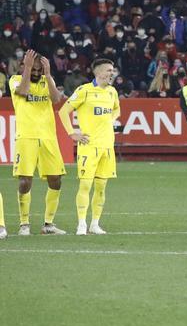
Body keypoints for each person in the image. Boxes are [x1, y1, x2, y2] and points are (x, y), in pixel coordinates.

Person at [59, 58, 121, 236]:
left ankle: (95, 223)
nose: (112, 73)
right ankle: (81, 224)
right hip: (89, 146)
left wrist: (112, 118)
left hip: (107, 147)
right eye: (109, 70)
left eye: (112, 70)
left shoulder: (112, 92)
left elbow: (117, 109)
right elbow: (64, 111)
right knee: (85, 185)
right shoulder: (84, 91)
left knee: (101, 187)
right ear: (100, 72)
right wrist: (72, 133)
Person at [9, 50, 68, 236]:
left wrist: (48, 74)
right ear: (23, 66)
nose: (36, 73)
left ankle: (48, 224)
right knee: (25, 180)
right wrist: (27, 67)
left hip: (48, 137)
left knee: (56, 179)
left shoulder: (45, 80)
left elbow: (57, 99)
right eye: (33, 69)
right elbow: (24, 92)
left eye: (38, 70)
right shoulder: (16, 80)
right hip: (26, 136)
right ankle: (24, 224)